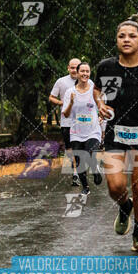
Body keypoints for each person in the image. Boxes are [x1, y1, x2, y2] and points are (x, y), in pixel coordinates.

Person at [94, 15, 138, 252]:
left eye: (132, 36)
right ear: (116, 40)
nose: (126, 40)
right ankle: (125, 206)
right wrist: (100, 104)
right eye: (121, 36)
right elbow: (97, 91)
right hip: (116, 132)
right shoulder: (106, 67)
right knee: (115, 186)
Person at [62, 62, 103, 196]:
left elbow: (103, 106)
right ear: (77, 74)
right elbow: (66, 114)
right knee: (79, 160)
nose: (85, 74)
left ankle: (95, 168)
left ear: (90, 73)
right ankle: (85, 187)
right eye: (82, 71)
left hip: (93, 130)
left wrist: (102, 116)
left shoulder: (95, 90)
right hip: (76, 132)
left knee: (90, 152)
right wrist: (72, 103)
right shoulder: (70, 92)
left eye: (87, 71)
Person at [49, 58, 91, 186]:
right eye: (72, 68)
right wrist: (63, 103)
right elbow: (51, 97)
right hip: (67, 121)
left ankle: (79, 170)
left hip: (84, 122)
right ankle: (76, 172)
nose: (74, 70)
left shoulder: (89, 82)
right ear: (68, 68)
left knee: (85, 147)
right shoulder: (61, 82)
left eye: (76, 67)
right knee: (70, 149)